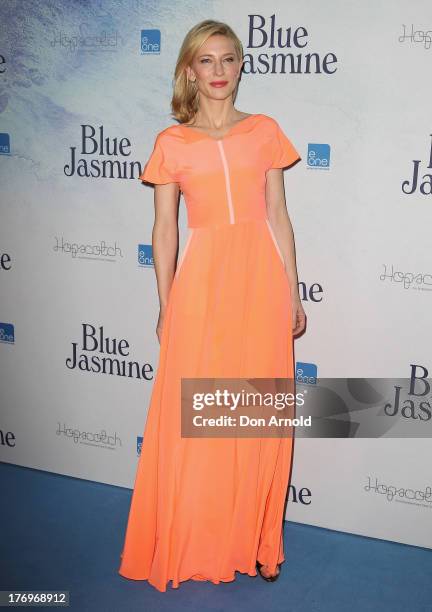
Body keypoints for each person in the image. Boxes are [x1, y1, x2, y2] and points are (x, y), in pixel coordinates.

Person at [118, 19, 306, 593]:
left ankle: (259, 542)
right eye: (207, 61)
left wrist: (293, 287)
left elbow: (278, 214)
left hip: (260, 280)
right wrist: (166, 302)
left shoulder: (265, 131)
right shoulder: (171, 143)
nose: (219, 71)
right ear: (188, 70)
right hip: (201, 285)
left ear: (241, 65)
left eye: (228, 59)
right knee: (197, 416)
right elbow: (165, 230)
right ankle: (198, 536)